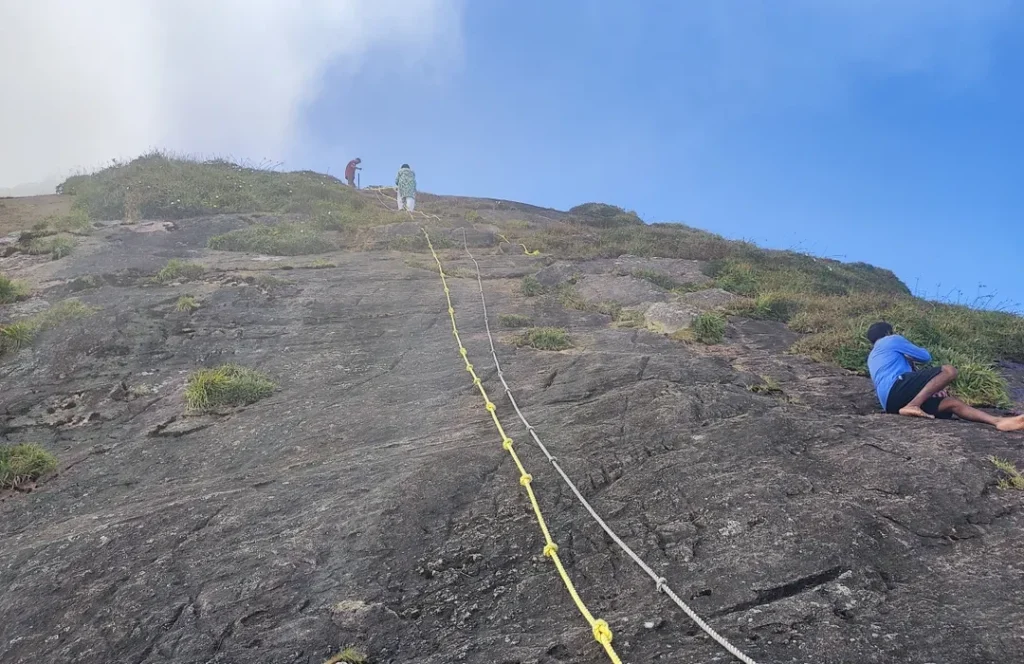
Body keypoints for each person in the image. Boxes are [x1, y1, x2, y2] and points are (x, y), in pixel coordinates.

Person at [865, 321, 1024, 431]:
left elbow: (909, 378)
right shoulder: (891, 340)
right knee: (948, 370)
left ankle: (999, 422)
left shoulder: (873, 356)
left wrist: (932, 390)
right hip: (898, 389)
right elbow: (925, 357)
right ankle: (913, 405)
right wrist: (910, 354)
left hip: (891, 405)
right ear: (888, 332)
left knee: (951, 403)